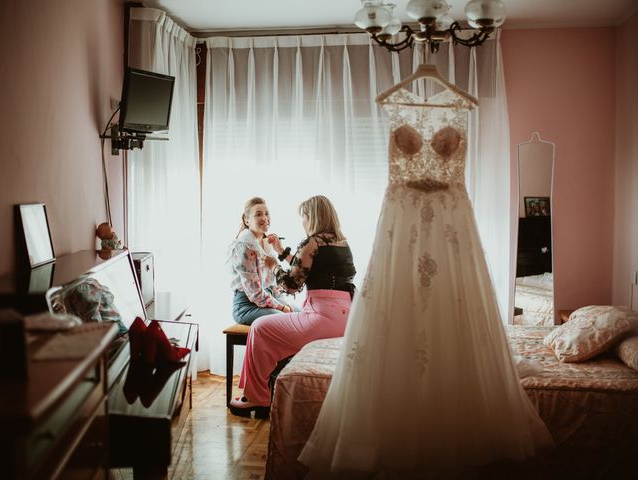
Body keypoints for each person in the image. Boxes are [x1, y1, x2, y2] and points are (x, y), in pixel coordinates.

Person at [298, 67, 552, 477]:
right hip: (402, 222)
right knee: (397, 308)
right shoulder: (397, 109)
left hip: (451, 224)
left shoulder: (461, 109)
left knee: (453, 306)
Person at [228, 195, 356, 417]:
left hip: (322, 318)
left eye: (304, 216)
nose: (303, 222)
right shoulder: (342, 243)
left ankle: (257, 398)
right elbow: (308, 268)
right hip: (347, 317)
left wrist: (275, 266)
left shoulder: (312, 242)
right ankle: (274, 389)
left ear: (313, 217)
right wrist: (281, 251)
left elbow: (291, 285)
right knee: (277, 324)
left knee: (261, 327)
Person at [229, 197, 293, 326]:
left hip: (268, 300)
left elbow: (273, 285)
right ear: (247, 220)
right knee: (286, 320)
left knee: (300, 314)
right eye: (258, 214)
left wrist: (284, 304)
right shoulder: (245, 246)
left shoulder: (266, 244)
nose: (264, 218)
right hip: (246, 306)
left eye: (266, 213)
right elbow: (255, 293)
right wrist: (281, 308)